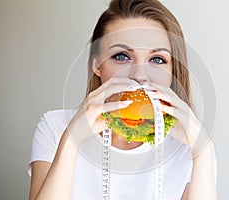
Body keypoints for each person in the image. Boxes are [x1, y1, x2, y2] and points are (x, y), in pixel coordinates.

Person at [28, 0, 218, 199]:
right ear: (97, 65)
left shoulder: (192, 146)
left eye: (157, 59)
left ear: (172, 72)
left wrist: (203, 151)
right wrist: (71, 140)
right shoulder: (55, 127)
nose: (139, 75)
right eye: (121, 56)